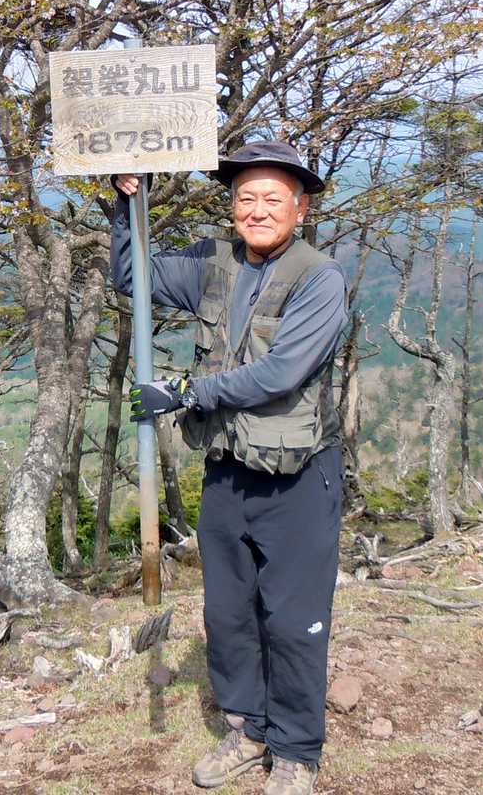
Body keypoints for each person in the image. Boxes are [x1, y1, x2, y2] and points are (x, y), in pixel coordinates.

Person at [110, 140, 347, 795]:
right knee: (230, 615)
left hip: (299, 478)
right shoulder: (214, 264)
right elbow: (132, 278)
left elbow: (281, 373)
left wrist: (187, 393)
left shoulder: (319, 277)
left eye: (273, 198)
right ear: (232, 206)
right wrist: (126, 205)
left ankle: (295, 751)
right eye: (246, 198)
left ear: (300, 208)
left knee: (292, 619)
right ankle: (249, 730)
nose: (257, 210)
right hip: (229, 470)